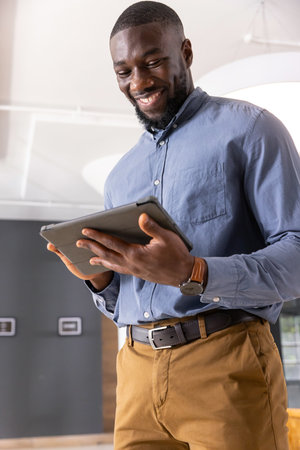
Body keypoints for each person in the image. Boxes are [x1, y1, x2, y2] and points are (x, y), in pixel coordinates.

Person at [48, 1, 300, 448]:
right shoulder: (120, 176)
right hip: (137, 369)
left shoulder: (252, 130)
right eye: (124, 71)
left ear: (184, 52)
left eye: (152, 62)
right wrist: (102, 280)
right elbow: (123, 299)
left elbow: (296, 253)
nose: (139, 82)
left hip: (226, 361)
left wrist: (193, 272)